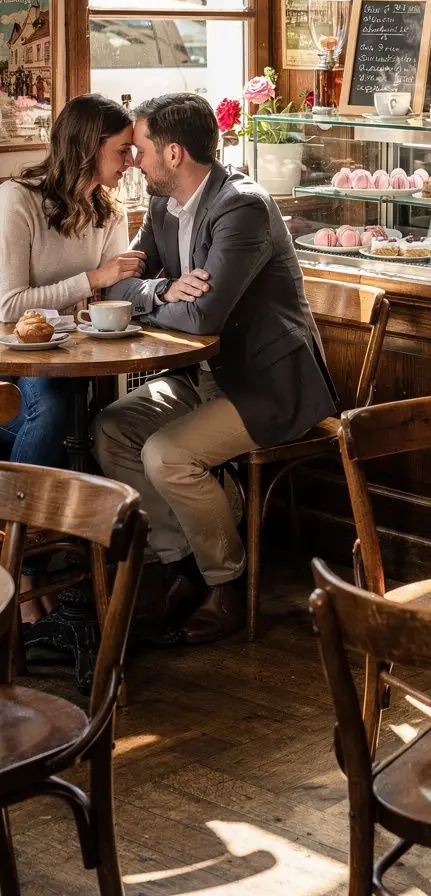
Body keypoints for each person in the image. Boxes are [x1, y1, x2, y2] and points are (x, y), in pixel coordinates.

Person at [93, 93, 337, 643]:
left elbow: (204, 313)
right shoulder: (162, 206)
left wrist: (152, 296)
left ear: (174, 153)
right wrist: (159, 289)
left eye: (142, 148)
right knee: (111, 429)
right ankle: (186, 567)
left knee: (167, 454)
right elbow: (118, 281)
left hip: (268, 384)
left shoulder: (241, 207)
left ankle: (226, 583)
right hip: (205, 377)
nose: (135, 160)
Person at [0, 95, 144, 466]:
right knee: (56, 409)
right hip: (15, 356)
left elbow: (111, 292)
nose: (132, 162)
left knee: (92, 421)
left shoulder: (110, 209)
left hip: (73, 353)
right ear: (88, 147)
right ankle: (23, 523)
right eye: (123, 150)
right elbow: (10, 306)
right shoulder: (18, 200)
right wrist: (92, 278)